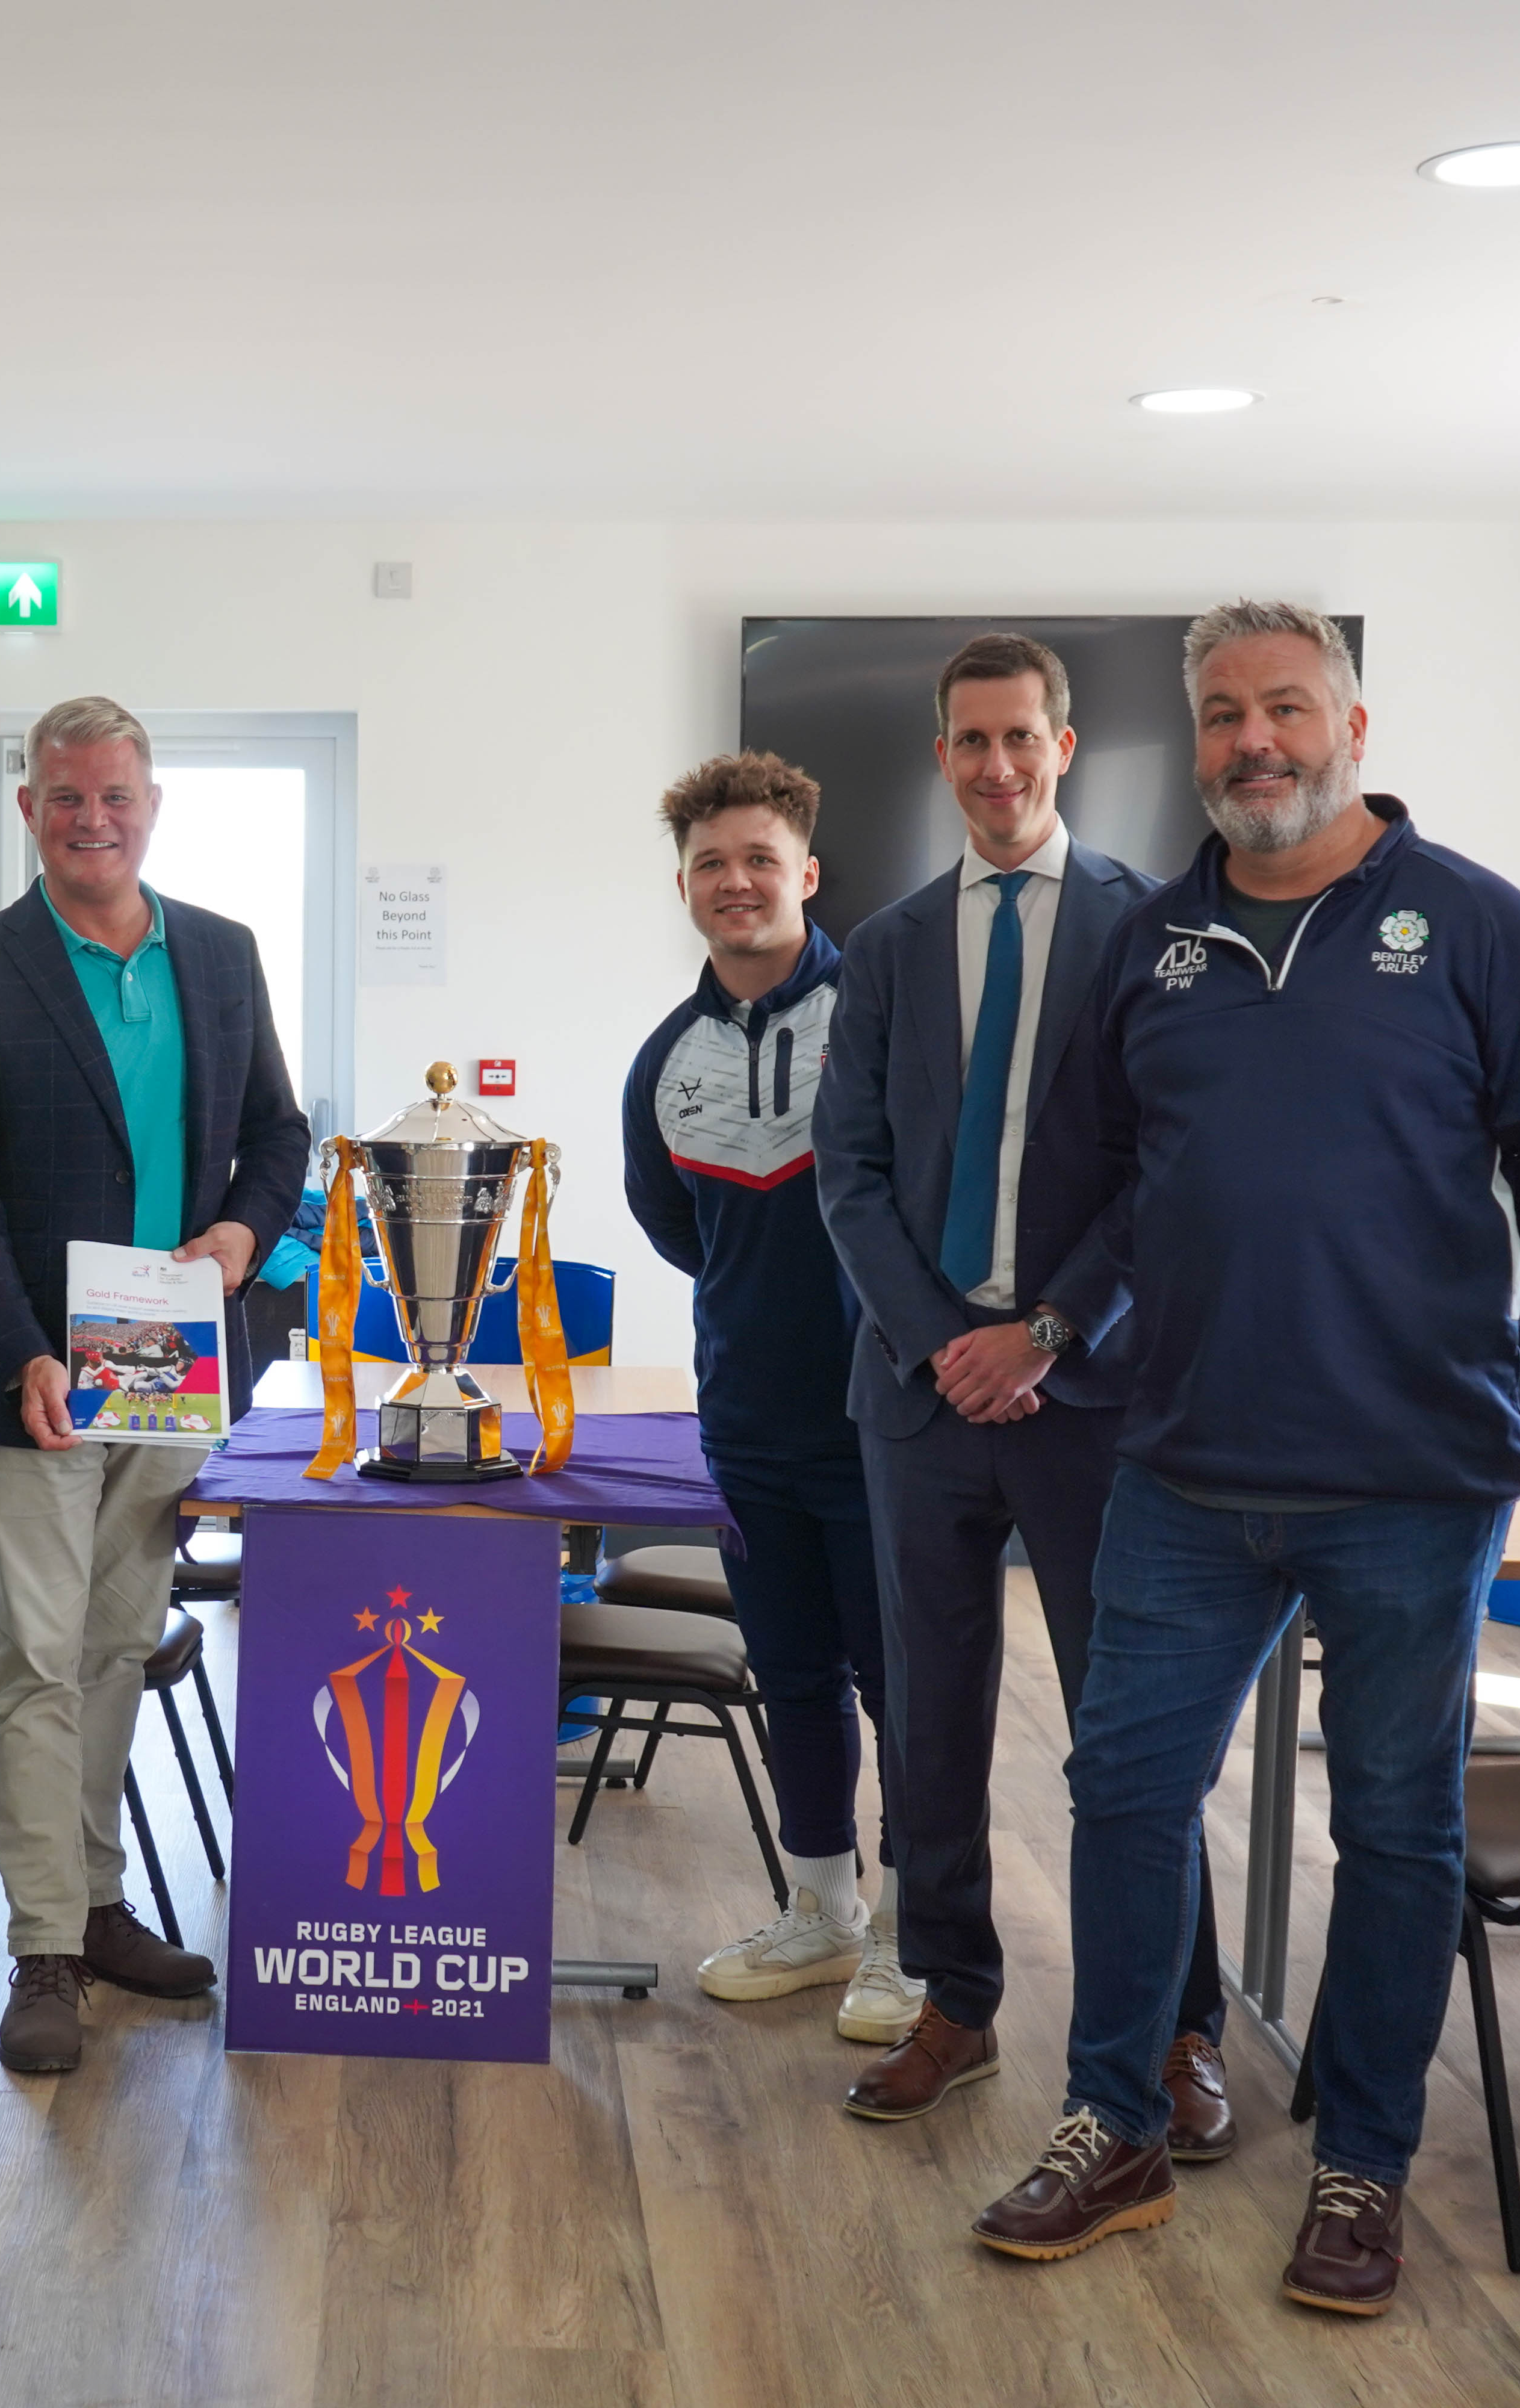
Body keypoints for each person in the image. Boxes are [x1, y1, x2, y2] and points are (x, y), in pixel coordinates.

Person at [970, 601, 1520, 2317]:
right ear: (1192, 739)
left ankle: (1364, 2166)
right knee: (1121, 1794)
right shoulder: (1156, 942)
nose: (1256, 741)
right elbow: (1107, 1191)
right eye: (1224, 715)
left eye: (1287, 709)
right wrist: (1065, 1333)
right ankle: (1111, 2119)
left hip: (1415, 1477)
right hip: (1183, 1468)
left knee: (1396, 1830)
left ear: (1354, 725)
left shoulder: (1481, 929)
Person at [813, 635, 1231, 2138]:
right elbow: (849, 1178)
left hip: (1096, 1394)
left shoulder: (1155, 932)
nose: (996, 766)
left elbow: (1165, 1168)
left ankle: (1180, 2026)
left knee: (1137, 1725)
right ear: (942, 755)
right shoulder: (888, 944)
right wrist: (947, 1340)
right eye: (969, 741)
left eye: (1021, 738)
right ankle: (954, 1997)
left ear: (1065, 744)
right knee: (928, 1715)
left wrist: (1044, 1332)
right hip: (922, 1395)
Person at [0, 694, 311, 2074]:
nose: (93, 819)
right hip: (37, 1370)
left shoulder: (221, 952)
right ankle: (40, 1952)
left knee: (118, 1643)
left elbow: (277, 1129)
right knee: (34, 1656)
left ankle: (94, 1902)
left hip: (172, 1361)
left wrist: (248, 1235)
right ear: (29, 808)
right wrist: (23, 1349)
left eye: (115, 796)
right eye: (66, 797)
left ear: (152, 804)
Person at [620, 752, 910, 2040]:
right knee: (792, 1673)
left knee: (906, 1684)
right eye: (710, 864)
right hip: (746, 1419)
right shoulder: (664, 1058)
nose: (736, 882)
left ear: (806, 869)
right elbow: (676, 1226)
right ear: (684, 884)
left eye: (758, 859)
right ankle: (822, 1910)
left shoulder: (885, 1015)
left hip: (888, 1418)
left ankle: (919, 1934)